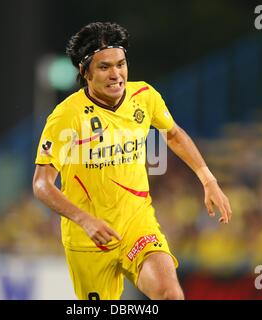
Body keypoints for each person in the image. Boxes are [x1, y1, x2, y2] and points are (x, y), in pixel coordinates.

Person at [33, 22, 232, 300]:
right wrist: (86, 220)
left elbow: (173, 134)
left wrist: (208, 180)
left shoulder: (144, 97)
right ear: (84, 71)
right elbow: (41, 185)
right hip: (87, 238)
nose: (116, 75)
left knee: (170, 295)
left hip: (136, 225)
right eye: (104, 67)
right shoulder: (66, 116)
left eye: (121, 64)